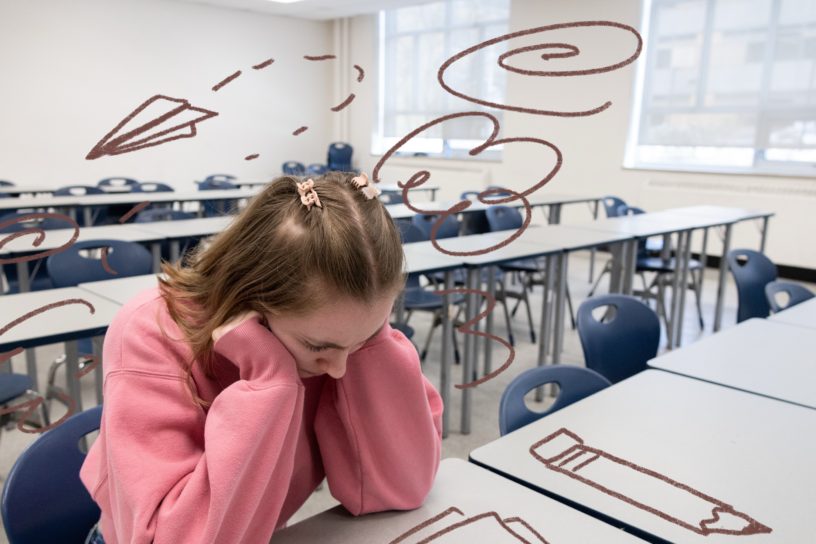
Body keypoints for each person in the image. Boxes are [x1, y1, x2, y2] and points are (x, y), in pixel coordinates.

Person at [80, 172, 444, 543]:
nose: (338, 369)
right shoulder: (150, 332)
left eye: (361, 339)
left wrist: (372, 341)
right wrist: (268, 382)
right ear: (252, 298)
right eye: (319, 347)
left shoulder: (340, 332)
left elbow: (404, 488)